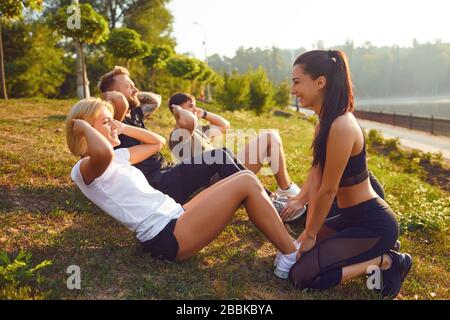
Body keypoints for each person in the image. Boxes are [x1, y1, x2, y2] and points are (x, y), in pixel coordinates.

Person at [65, 97, 299, 279]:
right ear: (86, 129)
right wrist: (83, 127)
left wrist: (122, 128)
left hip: (176, 214)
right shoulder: (85, 168)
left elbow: (156, 142)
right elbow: (102, 153)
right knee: (246, 181)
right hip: (167, 235)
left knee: (244, 176)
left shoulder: (118, 157)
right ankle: (290, 253)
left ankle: (285, 244)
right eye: (107, 122)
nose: (115, 125)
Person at [281, 50, 412, 298]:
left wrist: (310, 235)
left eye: (297, 82)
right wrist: (305, 230)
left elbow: (328, 190)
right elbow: (316, 176)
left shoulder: (341, 125)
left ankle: (388, 260)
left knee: (301, 277)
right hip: (349, 218)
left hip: (373, 224)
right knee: (300, 259)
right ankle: (376, 250)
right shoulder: (324, 123)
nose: (292, 90)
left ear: (320, 82)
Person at [97, 67, 255, 205]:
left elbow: (154, 100)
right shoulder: (115, 120)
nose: (136, 90)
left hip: (167, 171)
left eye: (134, 85)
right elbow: (117, 104)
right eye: (129, 87)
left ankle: (266, 197)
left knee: (224, 152)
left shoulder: (136, 114)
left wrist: (130, 92)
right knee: (218, 155)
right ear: (114, 95)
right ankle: (262, 198)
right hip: (157, 183)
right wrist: (109, 97)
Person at [167, 92, 301, 200]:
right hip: (212, 183)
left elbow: (224, 125)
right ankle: (271, 196)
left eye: (195, 105)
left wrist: (204, 114)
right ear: (177, 111)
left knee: (270, 136)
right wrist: (178, 111)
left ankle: (286, 189)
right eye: (190, 106)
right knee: (268, 137)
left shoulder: (200, 131)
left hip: (227, 170)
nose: (195, 109)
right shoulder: (178, 136)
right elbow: (188, 122)